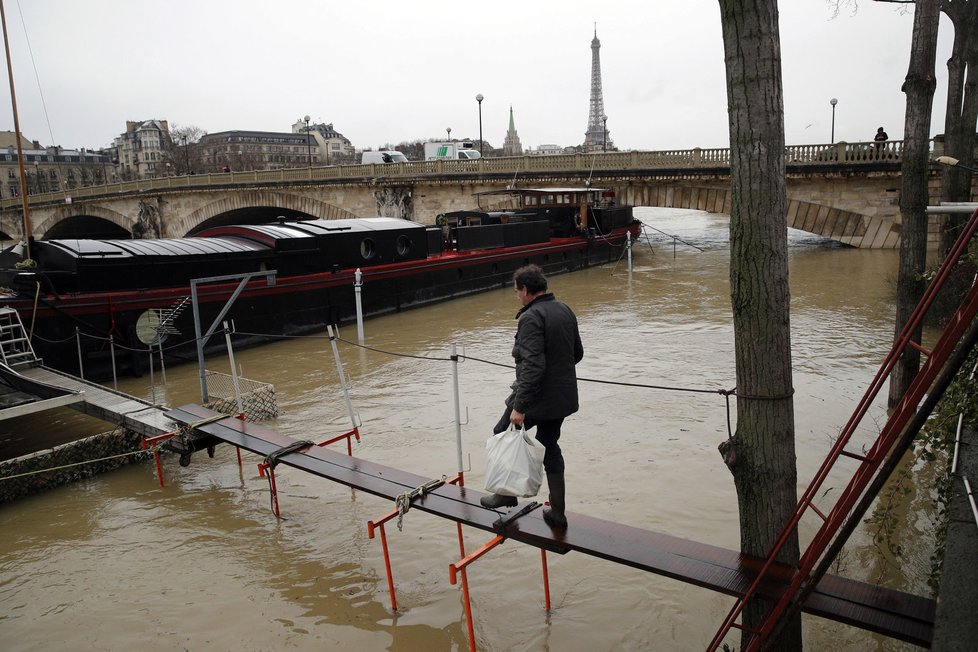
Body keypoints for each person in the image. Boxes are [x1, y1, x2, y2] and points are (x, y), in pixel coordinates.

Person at [480, 264, 584, 529]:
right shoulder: (564, 309)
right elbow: (577, 354)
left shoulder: (531, 317)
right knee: (549, 445)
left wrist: (520, 406)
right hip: (561, 398)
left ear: (525, 290)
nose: (517, 296)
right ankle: (557, 512)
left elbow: (533, 367)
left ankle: (506, 494)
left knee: (503, 431)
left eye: (517, 291)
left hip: (536, 397)